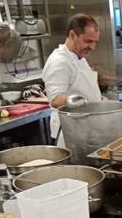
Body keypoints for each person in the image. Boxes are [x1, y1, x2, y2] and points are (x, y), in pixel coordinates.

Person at [42, 14, 102, 144]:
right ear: (72, 35)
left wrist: (100, 101)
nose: (92, 47)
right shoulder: (59, 61)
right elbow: (56, 99)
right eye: (88, 41)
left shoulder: (78, 57)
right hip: (70, 133)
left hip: (86, 129)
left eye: (95, 42)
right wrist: (83, 102)